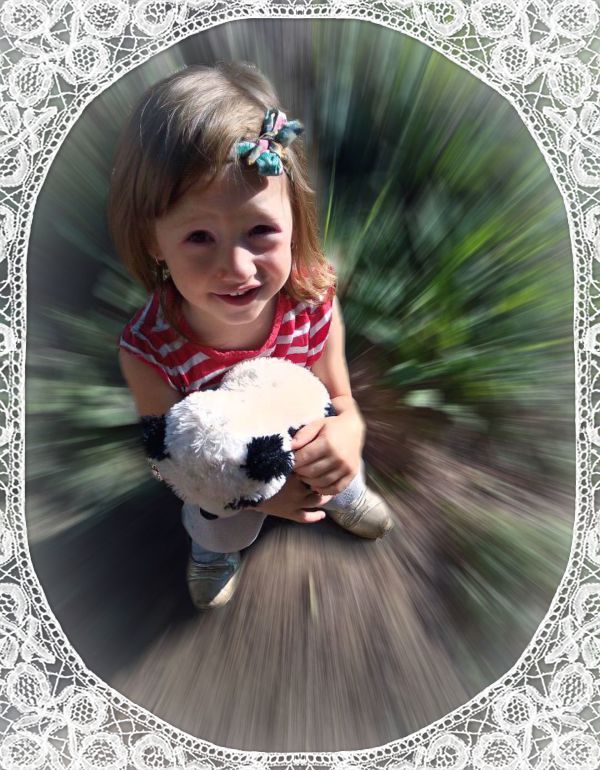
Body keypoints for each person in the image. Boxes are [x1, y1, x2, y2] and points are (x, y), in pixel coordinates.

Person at [109, 62, 393, 610]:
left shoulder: (312, 298)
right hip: (221, 479)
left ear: (296, 220)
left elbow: (339, 397)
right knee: (219, 524)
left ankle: (346, 497)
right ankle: (214, 553)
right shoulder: (149, 350)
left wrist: (350, 430)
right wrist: (255, 498)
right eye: (199, 237)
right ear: (152, 241)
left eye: (261, 230)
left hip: (308, 440)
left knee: (338, 466)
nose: (237, 269)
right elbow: (171, 459)